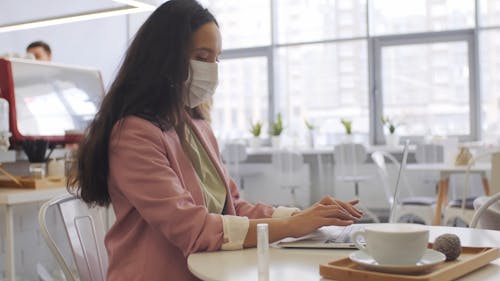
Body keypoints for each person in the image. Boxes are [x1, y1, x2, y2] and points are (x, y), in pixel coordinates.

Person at [67, 0, 363, 280]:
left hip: (206, 270)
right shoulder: (133, 134)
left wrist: (303, 216)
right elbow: (192, 228)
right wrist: (288, 226)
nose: (212, 69)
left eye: (216, 58)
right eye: (201, 57)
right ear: (164, 60)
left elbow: (231, 207)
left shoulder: (196, 127)